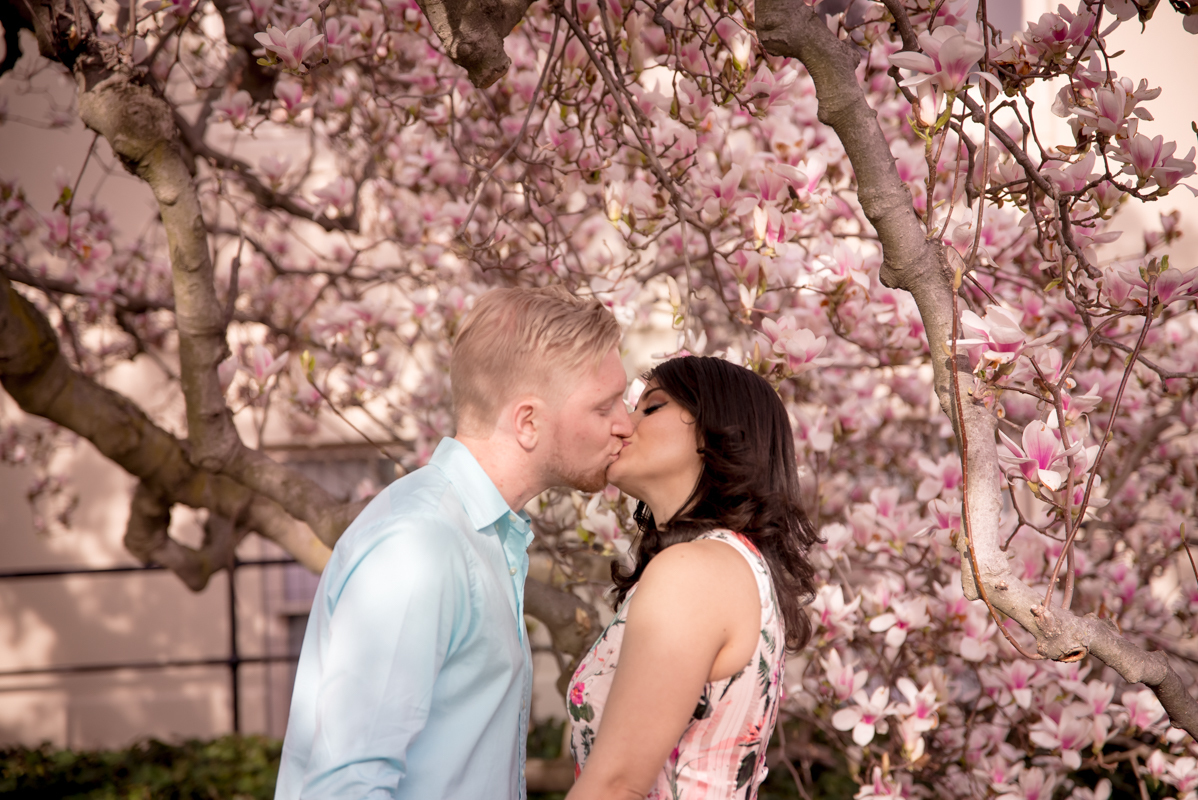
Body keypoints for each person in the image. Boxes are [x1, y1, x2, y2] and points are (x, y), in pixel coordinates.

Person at [274, 285, 633, 800]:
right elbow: (346, 788)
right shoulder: (420, 546)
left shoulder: (479, 537)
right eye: (604, 407)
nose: (625, 423)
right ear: (528, 422)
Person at [566, 355, 819, 800]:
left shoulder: (694, 572)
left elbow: (616, 786)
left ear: (719, 431)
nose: (624, 424)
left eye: (652, 406)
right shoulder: (728, 565)